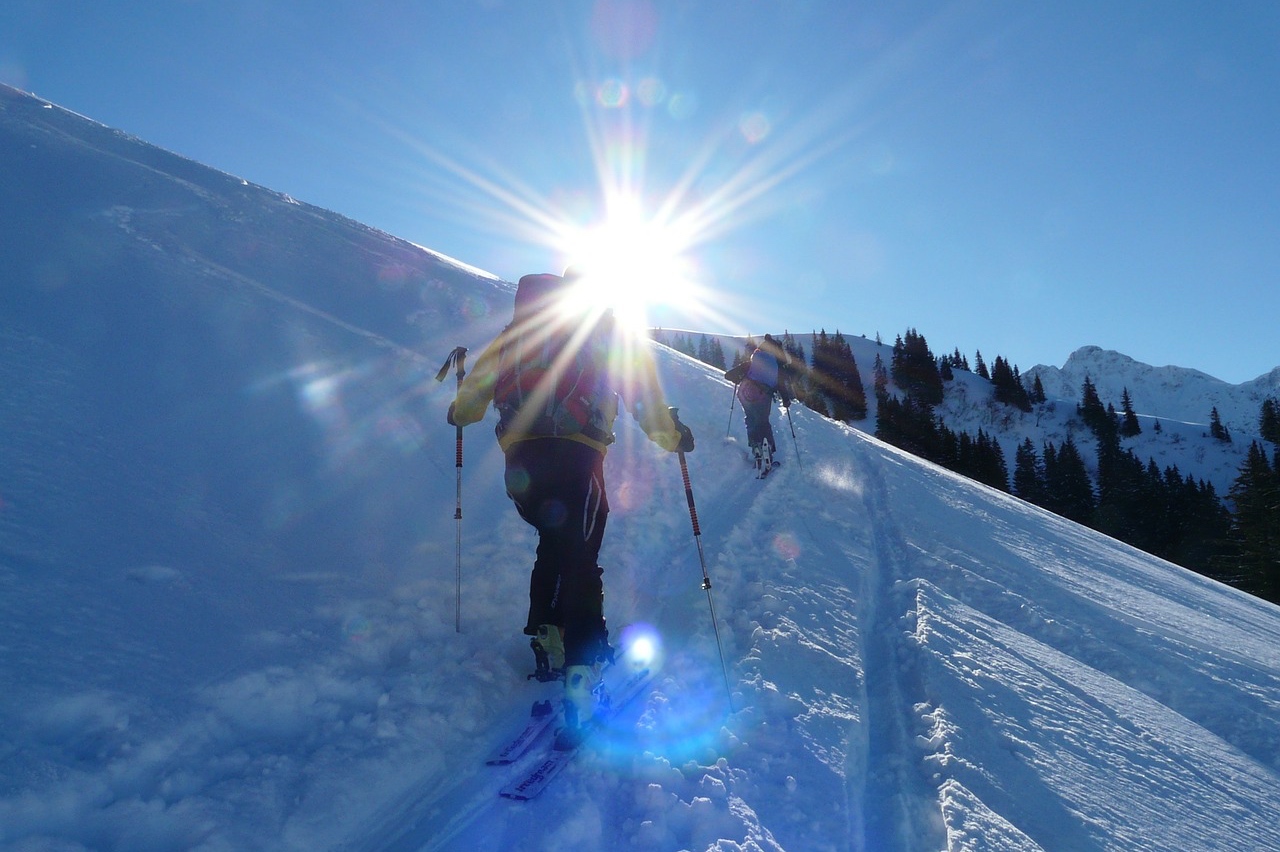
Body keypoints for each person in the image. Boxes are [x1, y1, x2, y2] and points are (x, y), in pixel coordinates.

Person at [447, 268, 694, 746]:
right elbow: (643, 399)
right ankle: (583, 671)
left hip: (521, 467)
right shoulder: (605, 336)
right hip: (579, 458)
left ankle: (549, 635)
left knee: (554, 544)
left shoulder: (516, 335)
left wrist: (457, 410)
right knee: (581, 557)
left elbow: (470, 404)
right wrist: (674, 436)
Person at [724, 334, 794, 474]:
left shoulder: (753, 360)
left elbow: (728, 375)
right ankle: (767, 449)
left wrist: (738, 379)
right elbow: (782, 386)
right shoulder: (775, 366)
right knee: (763, 422)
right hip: (763, 396)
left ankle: (755, 446)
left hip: (745, 394)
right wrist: (786, 400)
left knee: (750, 419)